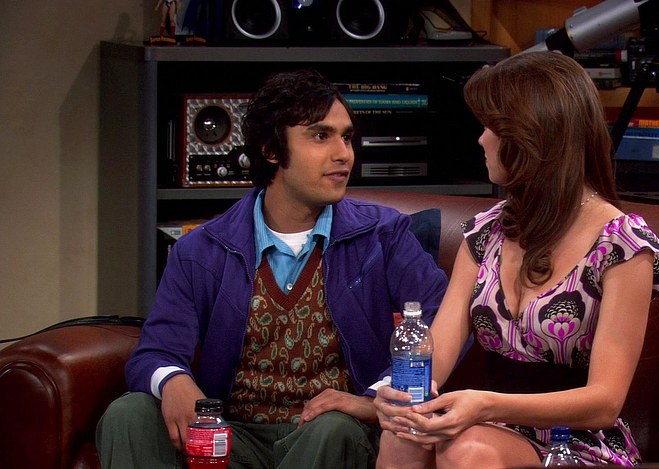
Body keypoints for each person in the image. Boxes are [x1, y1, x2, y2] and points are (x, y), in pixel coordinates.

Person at [95, 69, 448, 469]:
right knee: (129, 413)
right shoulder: (201, 250)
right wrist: (173, 380)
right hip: (235, 436)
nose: (344, 154)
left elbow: (445, 317)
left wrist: (377, 396)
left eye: (346, 137)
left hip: (332, 435)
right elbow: (155, 352)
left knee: (334, 429)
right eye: (321, 136)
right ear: (271, 150)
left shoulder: (382, 235)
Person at [373, 51, 659, 468]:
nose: (481, 140)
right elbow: (435, 357)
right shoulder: (484, 233)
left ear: (530, 137)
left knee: (469, 451)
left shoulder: (623, 246)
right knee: (403, 436)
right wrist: (396, 395)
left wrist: (486, 405)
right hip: (486, 423)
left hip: (576, 439)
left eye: (491, 128)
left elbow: (604, 403)